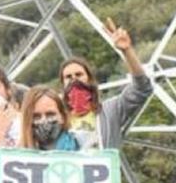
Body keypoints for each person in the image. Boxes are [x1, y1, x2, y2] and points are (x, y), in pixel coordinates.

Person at [58, 19, 153, 151]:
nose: (74, 80)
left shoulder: (109, 111)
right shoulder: (58, 119)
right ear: (62, 85)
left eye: (79, 74)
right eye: (68, 77)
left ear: (90, 79)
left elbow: (142, 88)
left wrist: (127, 50)